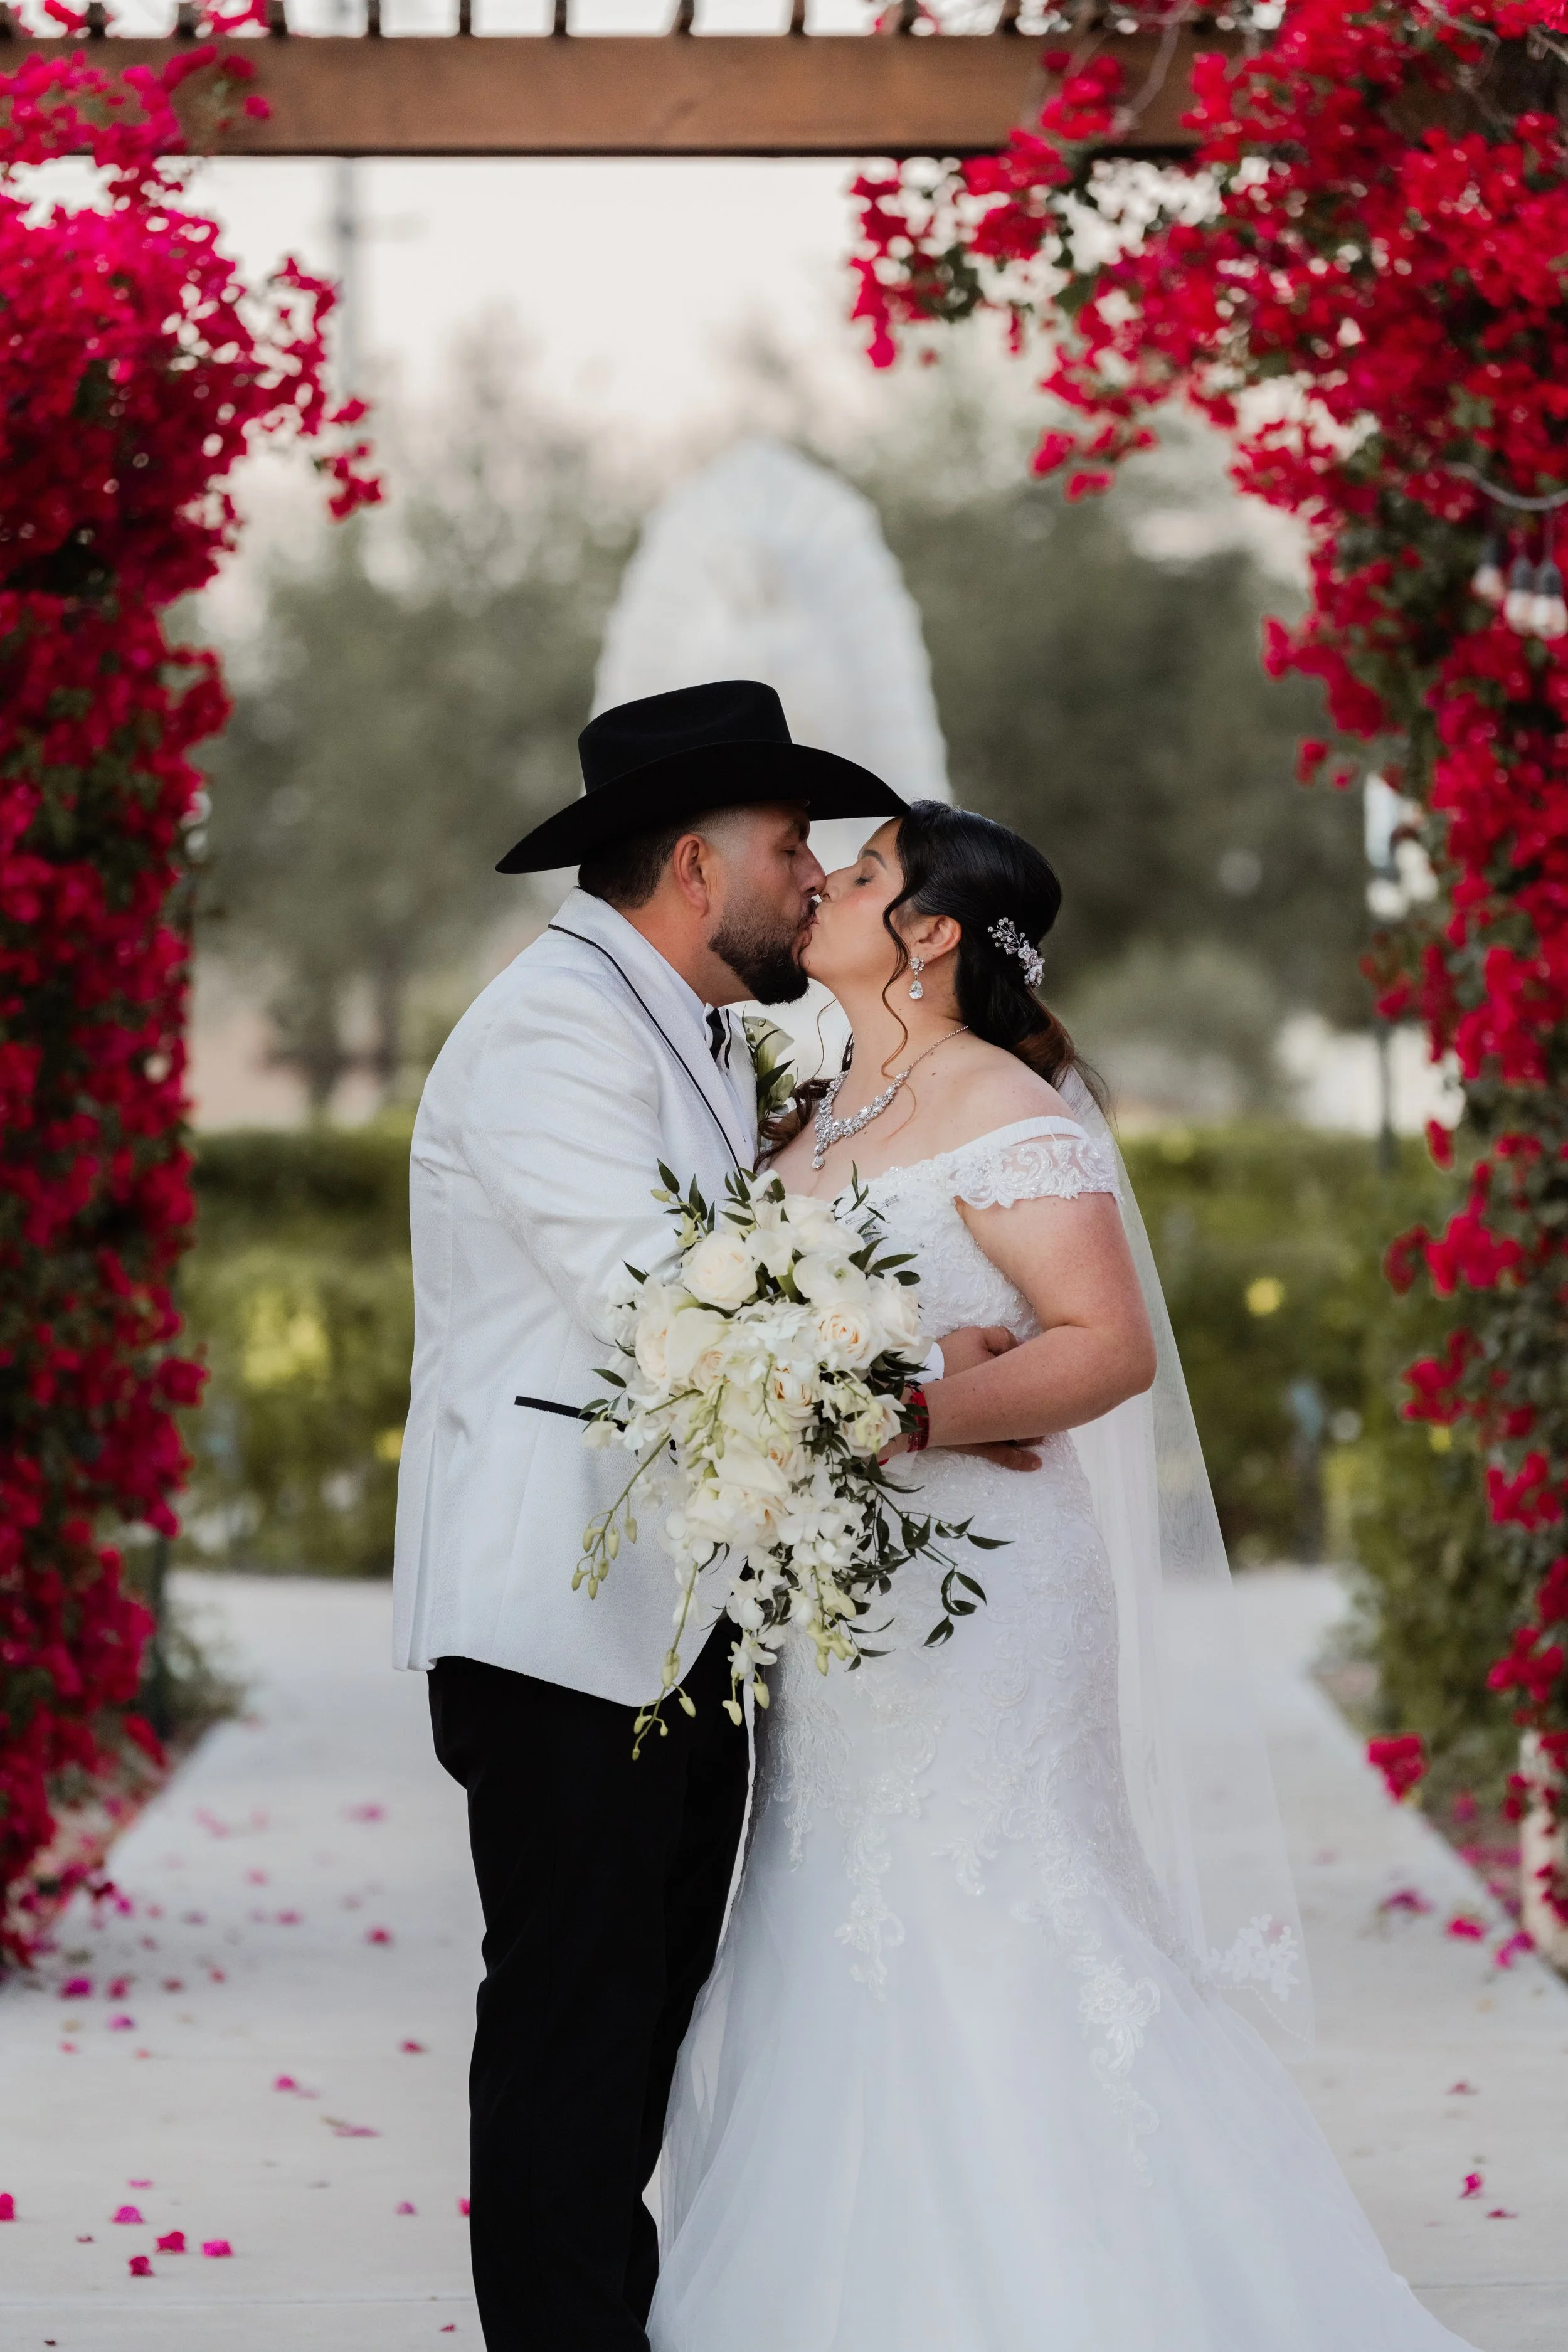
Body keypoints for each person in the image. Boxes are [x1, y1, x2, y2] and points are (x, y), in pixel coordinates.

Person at [649, 800, 1476, 2352]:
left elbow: (1106, 1347)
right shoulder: (818, 1109)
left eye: (867, 872)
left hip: (985, 1596)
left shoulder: (995, 1104)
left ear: (934, 933)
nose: (824, 878)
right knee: (830, 1914)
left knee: (1000, 1911)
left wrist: (904, 1411)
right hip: (844, 1611)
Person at [391, 684, 1033, 2352]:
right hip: (562, 1620)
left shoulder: (678, 1019)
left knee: (634, 2027)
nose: (813, 877)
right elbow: (657, 1302)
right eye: (786, 845)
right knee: (574, 2032)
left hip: (678, 1616)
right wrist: (905, 1369)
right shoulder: (549, 1028)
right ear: (695, 861)